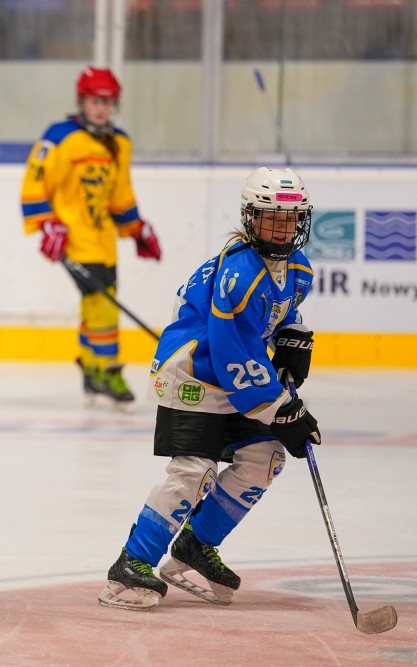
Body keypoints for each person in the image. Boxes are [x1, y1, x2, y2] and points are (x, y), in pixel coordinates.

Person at [98, 167, 322, 611]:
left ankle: (195, 546)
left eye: (290, 218)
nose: (282, 228)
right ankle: (131, 562)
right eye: (271, 217)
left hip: (232, 375)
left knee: (265, 458)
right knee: (194, 472)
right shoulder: (240, 274)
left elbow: (276, 316)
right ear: (250, 218)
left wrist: (293, 337)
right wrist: (283, 410)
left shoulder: (298, 268)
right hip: (193, 374)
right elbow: (232, 351)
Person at [20, 66, 162, 409]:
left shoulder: (119, 142)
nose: (101, 108)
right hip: (73, 239)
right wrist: (48, 224)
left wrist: (136, 228)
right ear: (81, 101)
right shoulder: (60, 136)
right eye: (95, 101)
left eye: (107, 102)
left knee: (95, 303)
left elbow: (120, 195)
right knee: (103, 305)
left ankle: (90, 369)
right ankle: (108, 371)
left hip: (103, 241)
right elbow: (34, 183)